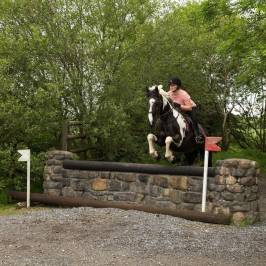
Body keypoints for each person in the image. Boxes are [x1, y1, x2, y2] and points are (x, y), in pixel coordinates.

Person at [167, 77, 204, 144]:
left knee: (193, 119)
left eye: (173, 85)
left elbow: (189, 108)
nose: (171, 87)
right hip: (177, 110)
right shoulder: (168, 93)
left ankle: (198, 135)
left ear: (178, 86)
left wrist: (179, 105)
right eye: (170, 85)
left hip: (189, 108)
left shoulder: (184, 94)